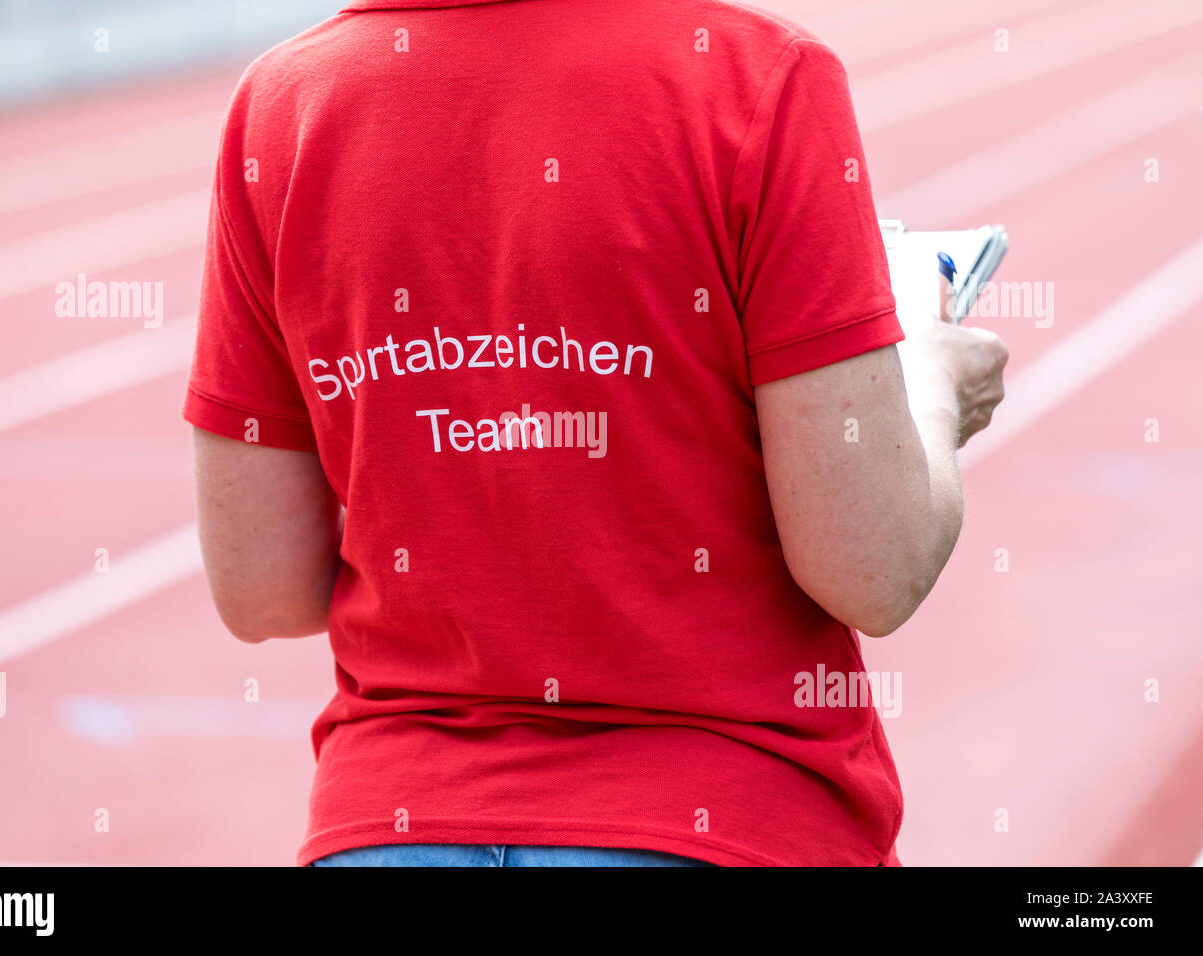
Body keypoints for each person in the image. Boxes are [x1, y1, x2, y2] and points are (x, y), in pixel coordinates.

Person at [184, 0, 1007, 867]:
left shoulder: (281, 106)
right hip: (727, 818)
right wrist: (935, 386)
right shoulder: (756, 79)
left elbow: (261, 588)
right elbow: (872, 568)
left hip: (391, 822)